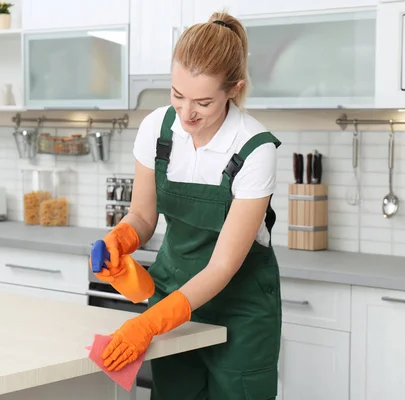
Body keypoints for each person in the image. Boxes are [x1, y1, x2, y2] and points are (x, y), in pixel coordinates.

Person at [91, 10, 282, 400]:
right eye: (177, 96)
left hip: (239, 308)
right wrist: (121, 240)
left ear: (234, 89)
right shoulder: (158, 129)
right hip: (174, 294)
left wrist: (149, 324)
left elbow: (223, 266)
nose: (187, 114)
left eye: (203, 102)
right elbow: (143, 215)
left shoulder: (254, 148)